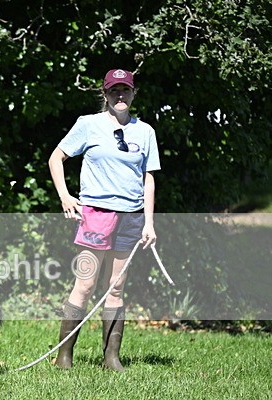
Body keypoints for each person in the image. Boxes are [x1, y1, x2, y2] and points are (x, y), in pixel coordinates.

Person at [48, 68, 160, 372]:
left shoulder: (145, 132)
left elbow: (148, 178)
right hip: (96, 215)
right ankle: (64, 355)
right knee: (84, 285)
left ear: (134, 93)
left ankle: (111, 357)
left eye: (125, 90)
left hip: (131, 218)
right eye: (114, 91)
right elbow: (56, 158)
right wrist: (65, 197)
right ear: (105, 94)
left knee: (116, 287)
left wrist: (148, 223)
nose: (120, 96)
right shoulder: (88, 125)